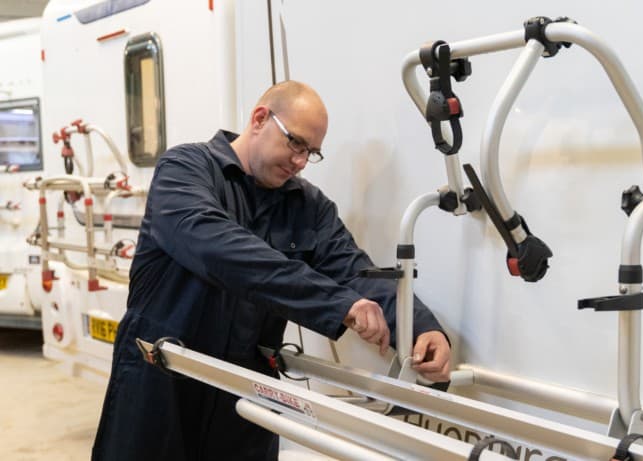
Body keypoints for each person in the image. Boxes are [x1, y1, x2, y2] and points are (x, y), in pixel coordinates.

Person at [92, 80, 451, 460]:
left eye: (311, 152)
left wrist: (421, 327)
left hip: (245, 392)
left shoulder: (308, 206)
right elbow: (223, 252)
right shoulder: (185, 169)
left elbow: (354, 272)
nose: (300, 160)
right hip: (162, 381)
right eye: (296, 143)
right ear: (260, 118)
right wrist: (337, 305)